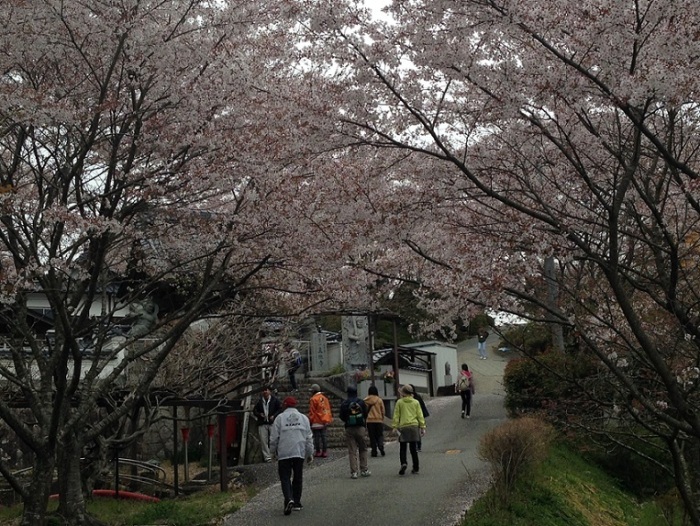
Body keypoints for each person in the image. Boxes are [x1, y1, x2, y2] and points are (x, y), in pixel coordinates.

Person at [270, 396, 314, 515]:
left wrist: (272, 452)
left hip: (284, 452)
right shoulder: (304, 418)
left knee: (285, 477)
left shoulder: (279, 418)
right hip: (299, 451)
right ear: (295, 405)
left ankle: (289, 498)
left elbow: (274, 438)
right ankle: (297, 502)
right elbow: (309, 437)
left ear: (285, 405)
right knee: (298, 477)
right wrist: (310, 453)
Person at [392, 384, 426, 475]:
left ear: (403, 393)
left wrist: (395, 426)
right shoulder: (416, 402)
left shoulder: (399, 402)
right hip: (414, 426)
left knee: (403, 447)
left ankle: (404, 463)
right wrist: (422, 427)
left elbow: (396, 415)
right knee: (413, 448)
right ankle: (416, 467)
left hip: (403, 427)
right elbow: (420, 415)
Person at [339, 385, 371, 479]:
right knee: (363, 448)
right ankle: (364, 469)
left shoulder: (345, 403)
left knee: (352, 451)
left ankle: (354, 472)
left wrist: (347, 420)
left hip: (349, 428)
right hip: (360, 427)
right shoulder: (361, 402)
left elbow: (341, 416)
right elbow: (365, 414)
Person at [253, 386, 282, 462]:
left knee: (274, 439)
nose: (265, 392)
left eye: (266, 390)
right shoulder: (259, 401)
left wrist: (274, 416)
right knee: (263, 440)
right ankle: (267, 457)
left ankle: (275, 454)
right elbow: (254, 411)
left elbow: (280, 409)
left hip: (272, 422)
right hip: (262, 422)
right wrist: (259, 414)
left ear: (269, 391)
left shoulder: (275, 400)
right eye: (263, 391)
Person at [308, 383, 333, 458]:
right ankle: (324, 451)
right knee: (324, 437)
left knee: (316, 437)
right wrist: (328, 419)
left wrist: (311, 420)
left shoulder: (313, 399)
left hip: (316, 421)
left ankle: (318, 451)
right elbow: (328, 409)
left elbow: (312, 411)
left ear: (313, 391)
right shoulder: (325, 398)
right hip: (325, 420)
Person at [364, 384, 386, 457]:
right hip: (378, 420)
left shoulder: (365, 400)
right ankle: (381, 446)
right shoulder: (379, 400)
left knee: (372, 436)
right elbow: (383, 410)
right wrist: (382, 417)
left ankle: (374, 451)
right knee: (379, 435)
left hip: (369, 421)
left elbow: (364, 410)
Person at [409, 384, 429, 452]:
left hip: (414, 416)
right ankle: (417, 446)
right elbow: (422, 406)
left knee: (415, 432)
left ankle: (417, 445)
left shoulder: (414, 397)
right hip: (416, 416)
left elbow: (422, 407)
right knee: (416, 432)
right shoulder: (417, 396)